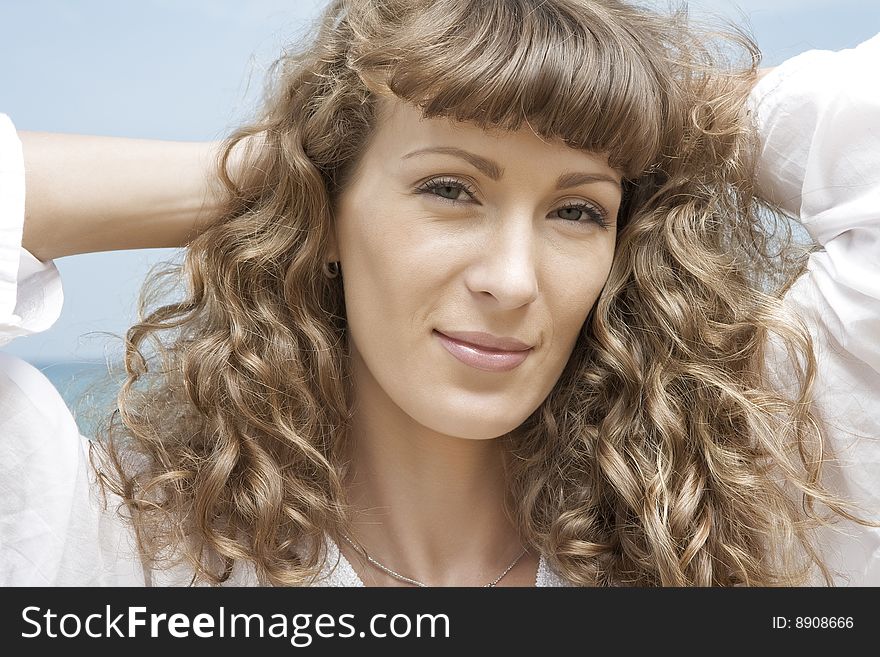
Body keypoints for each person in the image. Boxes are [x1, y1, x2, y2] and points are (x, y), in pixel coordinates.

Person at [1, 0, 878, 587]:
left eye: (577, 208)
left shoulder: (748, 505)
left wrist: (625, 98)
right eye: (450, 190)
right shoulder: (125, 555)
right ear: (326, 213)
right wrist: (284, 176)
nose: (512, 279)